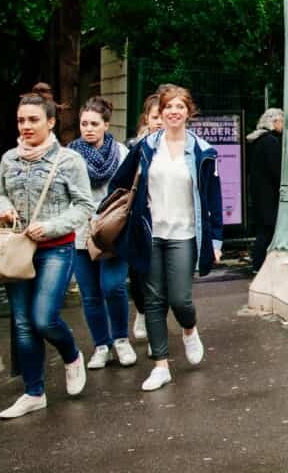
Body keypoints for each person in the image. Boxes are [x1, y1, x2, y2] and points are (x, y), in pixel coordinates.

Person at [109, 85, 223, 391]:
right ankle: (160, 366)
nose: (173, 112)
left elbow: (213, 199)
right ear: (159, 113)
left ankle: (189, 329)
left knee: (180, 299)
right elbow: (119, 183)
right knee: (154, 300)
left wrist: (216, 241)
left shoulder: (203, 151)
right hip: (151, 233)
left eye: (179, 107)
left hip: (184, 233)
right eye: (167, 107)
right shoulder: (145, 147)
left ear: (188, 112)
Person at [0, 83, 95, 419]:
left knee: (43, 318)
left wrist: (50, 227)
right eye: (21, 119)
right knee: (23, 324)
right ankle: (34, 392)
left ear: (50, 122)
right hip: (18, 250)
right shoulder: (9, 158)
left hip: (56, 250)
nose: (25, 126)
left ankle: (71, 355)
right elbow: (0, 195)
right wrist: (3, 209)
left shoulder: (69, 160)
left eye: (33, 119)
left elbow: (83, 206)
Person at [67, 96, 137, 370]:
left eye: (94, 124)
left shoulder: (121, 152)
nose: (88, 129)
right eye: (84, 123)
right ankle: (101, 345)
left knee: (113, 286)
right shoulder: (70, 155)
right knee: (90, 293)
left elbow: (131, 189)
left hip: (112, 230)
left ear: (106, 124)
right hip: (81, 231)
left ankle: (121, 339)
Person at [126, 92, 164, 344]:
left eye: (163, 116)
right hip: (140, 221)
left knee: (162, 285)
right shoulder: (134, 148)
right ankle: (140, 310)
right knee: (138, 277)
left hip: (168, 223)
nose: (160, 121)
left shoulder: (182, 148)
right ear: (147, 120)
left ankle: (156, 338)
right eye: (155, 117)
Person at [247, 107, 283, 273]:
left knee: (263, 230)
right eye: (281, 121)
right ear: (274, 122)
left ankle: (257, 263)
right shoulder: (271, 141)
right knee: (268, 230)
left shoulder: (257, 140)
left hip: (258, 192)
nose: (283, 125)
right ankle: (260, 264)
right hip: (270, 193)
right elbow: (276, 169)